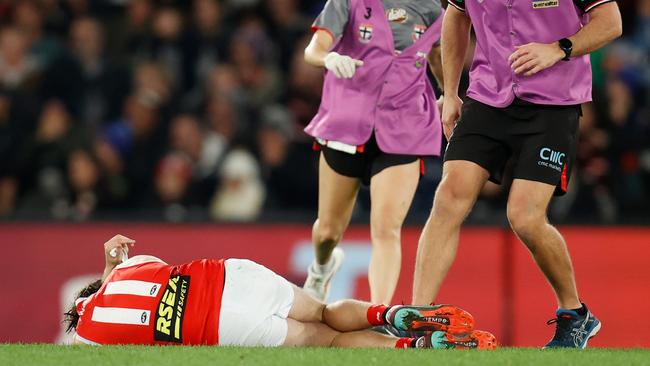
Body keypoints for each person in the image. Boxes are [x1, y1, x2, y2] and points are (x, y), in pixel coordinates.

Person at [411, 0, 622, 349]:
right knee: (449, 195)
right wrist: (449, 93)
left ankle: (575, 314)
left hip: (553, 103)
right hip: (488, 95)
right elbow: (455, 16)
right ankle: (418, 319)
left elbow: (610, 22)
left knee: (524, 216)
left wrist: (559, 49)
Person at [64, 235, 496, 349]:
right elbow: (135, 272)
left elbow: (82, 335)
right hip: (231, 276)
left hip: (218, 326)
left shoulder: (88, 337)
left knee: (326, 341)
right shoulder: (131, 268)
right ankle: (390, 314)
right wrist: (109, 270)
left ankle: (413, 345)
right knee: (325, 312)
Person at [302, 0, 446, 304]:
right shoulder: (347, 3)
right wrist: (329, 59)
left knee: (386, 229)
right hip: (348, 123)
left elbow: (436, 51)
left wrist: (450, 94)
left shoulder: (431, 9)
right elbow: (313, 50)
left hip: (404, 126)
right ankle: (321, 268)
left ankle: (378, 314)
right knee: (328, 231)